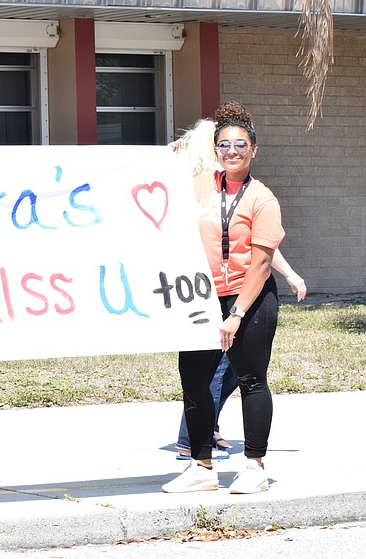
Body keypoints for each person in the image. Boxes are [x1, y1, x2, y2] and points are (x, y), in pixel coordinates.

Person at [162, 101, 285, 494]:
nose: (232, 152)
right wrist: (164, 162)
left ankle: (254, 466)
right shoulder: (199, 187)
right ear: (215, 151)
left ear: (253, 150)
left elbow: (262, 263)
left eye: (240, 145)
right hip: (200, 298)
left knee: (251, 380)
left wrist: (235, 315)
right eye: (224, 146)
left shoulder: (262, 198)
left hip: (249, 301)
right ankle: (201, 467)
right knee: (195, 383)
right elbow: (158, 193)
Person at [174, 251, 307, 460]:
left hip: (236, 292)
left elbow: (265, 247)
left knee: (229, 375)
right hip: (219, 293)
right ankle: (192, 442)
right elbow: (263, 249)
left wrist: (289, 274)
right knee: (213, 374)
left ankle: (203, 434)